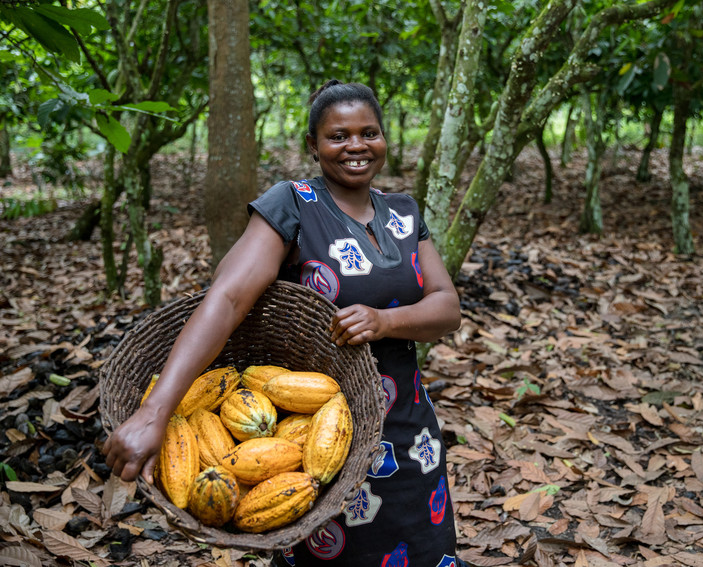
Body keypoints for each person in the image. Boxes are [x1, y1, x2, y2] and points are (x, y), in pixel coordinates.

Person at [102, 80, 463, 567]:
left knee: (423, 551)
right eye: (338, 136)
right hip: (316, 433)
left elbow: (446, 306)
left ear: (384, 139)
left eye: (369, 132)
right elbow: (227, 299)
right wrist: (155, 411)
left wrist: (384, 320)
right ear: (312, 146)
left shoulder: (403, 211)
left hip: (408, 429)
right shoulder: (292, 204)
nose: (356, 146)